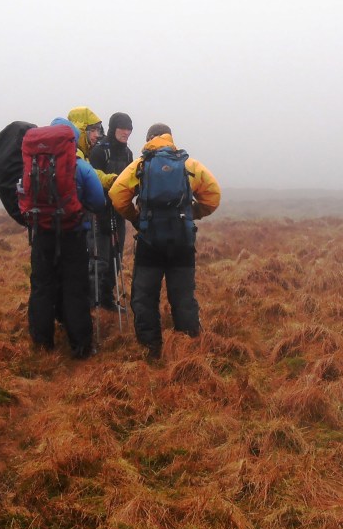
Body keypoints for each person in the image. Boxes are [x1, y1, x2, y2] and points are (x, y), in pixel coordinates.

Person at [108, 123, 221, 360]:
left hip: (150, 242)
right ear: (170, 138)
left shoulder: (141, 164)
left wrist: (136, 218)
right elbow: (213, 196)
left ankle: (151, 349)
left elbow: (117, 194)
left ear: (149, 138)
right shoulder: (189, 165)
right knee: (183, 297)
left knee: (144, 296)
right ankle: (188, 351)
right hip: (182, 241)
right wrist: (193, 213)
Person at [27, 118, 109, 359]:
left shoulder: (34, 163)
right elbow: (97, 202)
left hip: (42, 235)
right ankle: (80, 346)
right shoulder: (81, 166)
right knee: (75, 289)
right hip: (73, 234)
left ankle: (42, 344)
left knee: (42, 287)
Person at [88, 112, 135, 310]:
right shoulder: (99, 151)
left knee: (116, 258)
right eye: (123, 128)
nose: (126, 132)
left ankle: (107, 299)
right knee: (100, 259)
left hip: (118, 212)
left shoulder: (128, 154)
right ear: (113, 128)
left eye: (129, 128)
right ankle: (92, 301)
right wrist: (101, 209)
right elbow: (93, 180)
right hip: (100, 212)